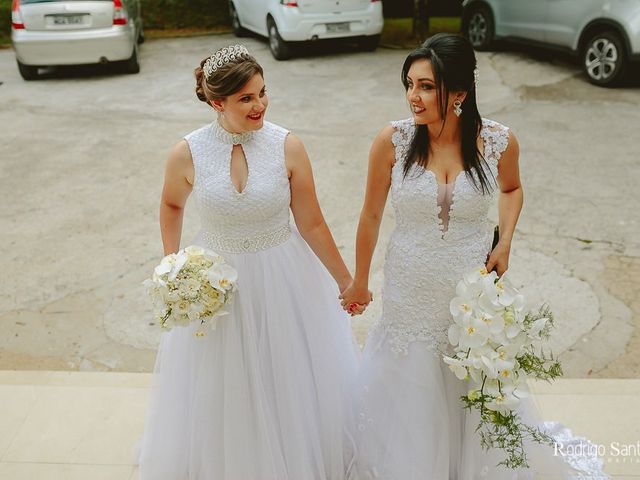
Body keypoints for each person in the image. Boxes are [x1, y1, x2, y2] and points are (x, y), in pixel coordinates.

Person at [339, 34, 609, 479]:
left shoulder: (498, 142)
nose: (413, 96)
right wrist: (361, 281)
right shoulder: (392, 141)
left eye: (427, 86)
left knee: (473, 378)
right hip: (409, 287)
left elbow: (512, 188)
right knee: (410, 380)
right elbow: (369, 215)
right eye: (410, 84)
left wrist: (505, 242)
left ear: (459, 93)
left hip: (470, 291)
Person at [138, 45, 364, 480]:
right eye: (246, 98)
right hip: (218, 284)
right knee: (226, 382)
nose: (259, 105)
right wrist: (174, 264)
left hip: (284, 276)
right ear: (216, 101)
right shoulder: (187, 152)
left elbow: (312, 222)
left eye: (262, 93)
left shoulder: (288, 146)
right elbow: (170, 204)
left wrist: (345, 280)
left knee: (286, 375)